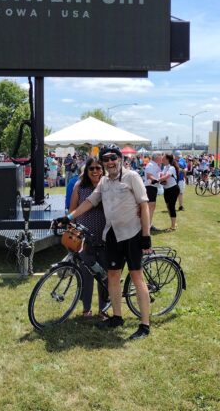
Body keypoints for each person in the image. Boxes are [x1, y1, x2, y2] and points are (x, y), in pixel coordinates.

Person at [64, 144, 152, 340]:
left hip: (132, 234)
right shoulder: (104, 182)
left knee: (137, 278)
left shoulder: (132, 177)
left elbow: (144, 205)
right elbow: (90, 202)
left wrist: (146, 235)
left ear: (120, 158)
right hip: (112, 235)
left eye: (113, 158)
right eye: (106, 159)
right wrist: (70, 217)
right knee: (112, 276)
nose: (110, 162)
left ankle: (145, 325)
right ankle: (117, 317)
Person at [69, 157, 107, 318]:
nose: (95, 171)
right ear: (86, 170)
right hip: (84, 236)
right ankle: (86, 308)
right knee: (86, 273)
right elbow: (72, 209)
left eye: (98, 168)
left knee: (104, 274)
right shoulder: (80, 186)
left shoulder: (107, 186)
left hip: (104, 236)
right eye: (91, 168)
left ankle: (103, 309)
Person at [159, 153, 180, 231]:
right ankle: (174, 223)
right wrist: (161, 177)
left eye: (163, 158)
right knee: (168, 206)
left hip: (173, 189)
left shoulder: (171, 168)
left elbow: (167, 176)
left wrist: (158, 180)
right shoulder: (165, 167)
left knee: (171, 207)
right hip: (166, 189)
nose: (162, 159)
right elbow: (162, 175)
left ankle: (173, 226)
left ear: (167, 159)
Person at [143, 152, 162, 233]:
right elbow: (149, 176)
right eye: (160, 156)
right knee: (150, 207)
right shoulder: (151, 165)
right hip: (149, 187)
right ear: (157, 157)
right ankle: (148, 225)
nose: (161, 158)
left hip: (153, 187)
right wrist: (156, 180)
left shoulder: (155, 165)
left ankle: (149, 224)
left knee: (152, 207)